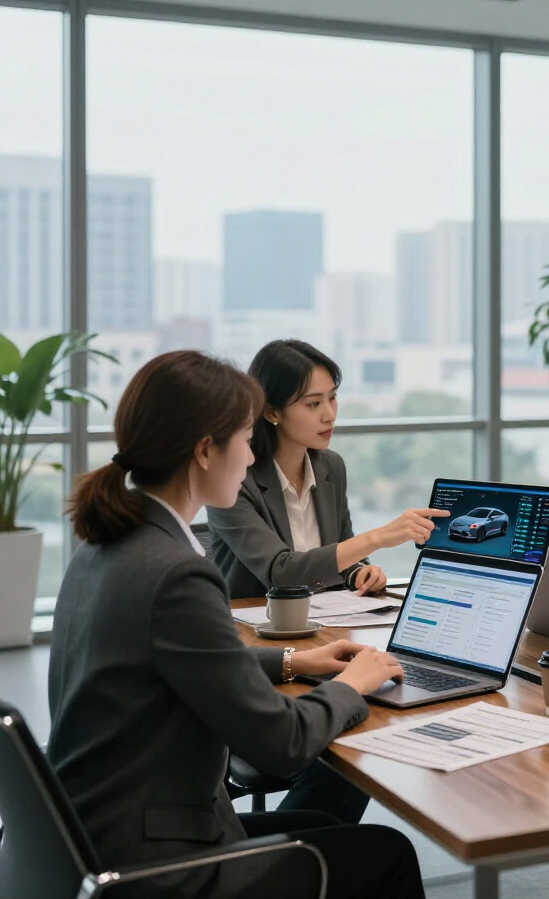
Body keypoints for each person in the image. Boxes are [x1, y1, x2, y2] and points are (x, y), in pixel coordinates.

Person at [50, 351, 424, 899]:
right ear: (205, 450)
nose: (251, 457)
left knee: (330, 830)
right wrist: (352, 685)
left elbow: (169, 662)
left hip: (96, 836)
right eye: (247, 439)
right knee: (387, 853)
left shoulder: (106, 543)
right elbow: (283, 744)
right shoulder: (179, 573)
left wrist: (294, 659)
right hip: (160, 864)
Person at [208, 339, 448, 601]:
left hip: (327, 624)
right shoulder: (234, 478)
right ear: (271, 411)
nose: (329, 415)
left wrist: (358, 573)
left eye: (332, 398)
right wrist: (378, 537)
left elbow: (342, 552)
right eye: (313, 404)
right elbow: (282, 574)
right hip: (256, 630)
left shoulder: (330, 467)